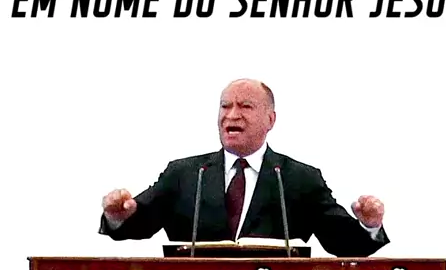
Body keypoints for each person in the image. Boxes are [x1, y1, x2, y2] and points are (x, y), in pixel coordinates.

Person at [99, 79, 388, 256]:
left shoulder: (299, 179)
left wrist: (369, 225)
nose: (231, 115)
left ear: (270, 120)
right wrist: (117, 216)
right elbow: (140, 222)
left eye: (245, 106)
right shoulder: (184, 175)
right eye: (225, 106)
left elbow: (342, 242)